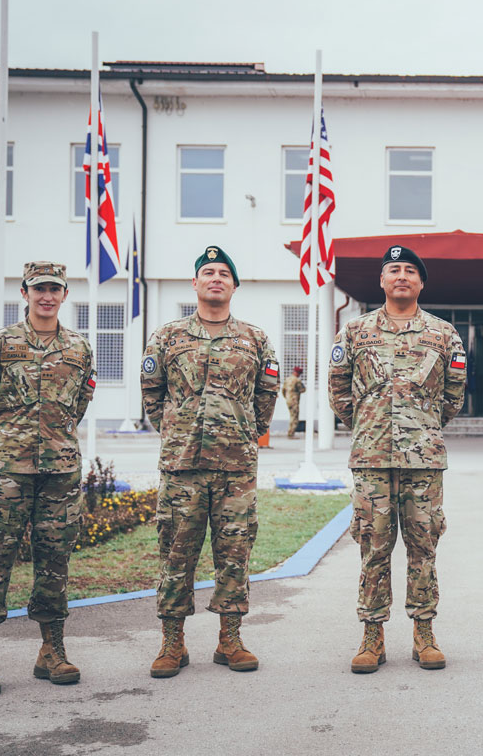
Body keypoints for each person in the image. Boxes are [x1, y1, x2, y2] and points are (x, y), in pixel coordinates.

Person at [0, 261, 95, 697]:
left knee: (54, 564)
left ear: (64, 294)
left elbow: (79, 403)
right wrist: (7, 438)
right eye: (39, 289)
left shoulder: (78, 348)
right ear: (25, 293)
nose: (47, 296)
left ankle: (51, 652)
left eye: (55, 288)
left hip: (59, 472)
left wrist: (51, 436)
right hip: (6, 476)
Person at [141, 245, 279, 678]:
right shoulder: (167, 337)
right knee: (175, 555)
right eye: (208, 272)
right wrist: (178, 430)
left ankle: (230, 641)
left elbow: (266, 396)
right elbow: (152, 395)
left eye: (224, 273)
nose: (216, 278)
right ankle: (172, 644)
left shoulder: (254, 339)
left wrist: (242, 432)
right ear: (195, 283)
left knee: (234, 555)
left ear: (234, 286)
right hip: (182, 466)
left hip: (236, 468)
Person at [328, 245, 466, 673]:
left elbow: (454, 397)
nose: (402, 276)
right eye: (394, 270)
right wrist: (370, 426)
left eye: (410, 271)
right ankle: (372, 636)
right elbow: (339, 391)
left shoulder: (444, 334)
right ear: (382, 281)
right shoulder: (355, 331)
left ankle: (424, 633)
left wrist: (421, 427)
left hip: (423, 462)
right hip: (371, 459)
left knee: (424, 547)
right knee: (373, 547)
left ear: (421, 283)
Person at [283, 366, 306, 438]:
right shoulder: (297, 381)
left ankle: (290, 433)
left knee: (292, 416)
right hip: (294, 401)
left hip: (288, 400)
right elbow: (303, 390)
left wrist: (287, 397)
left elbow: (283, 390)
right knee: (294, 417)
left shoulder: (287, 379)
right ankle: (291, 434)